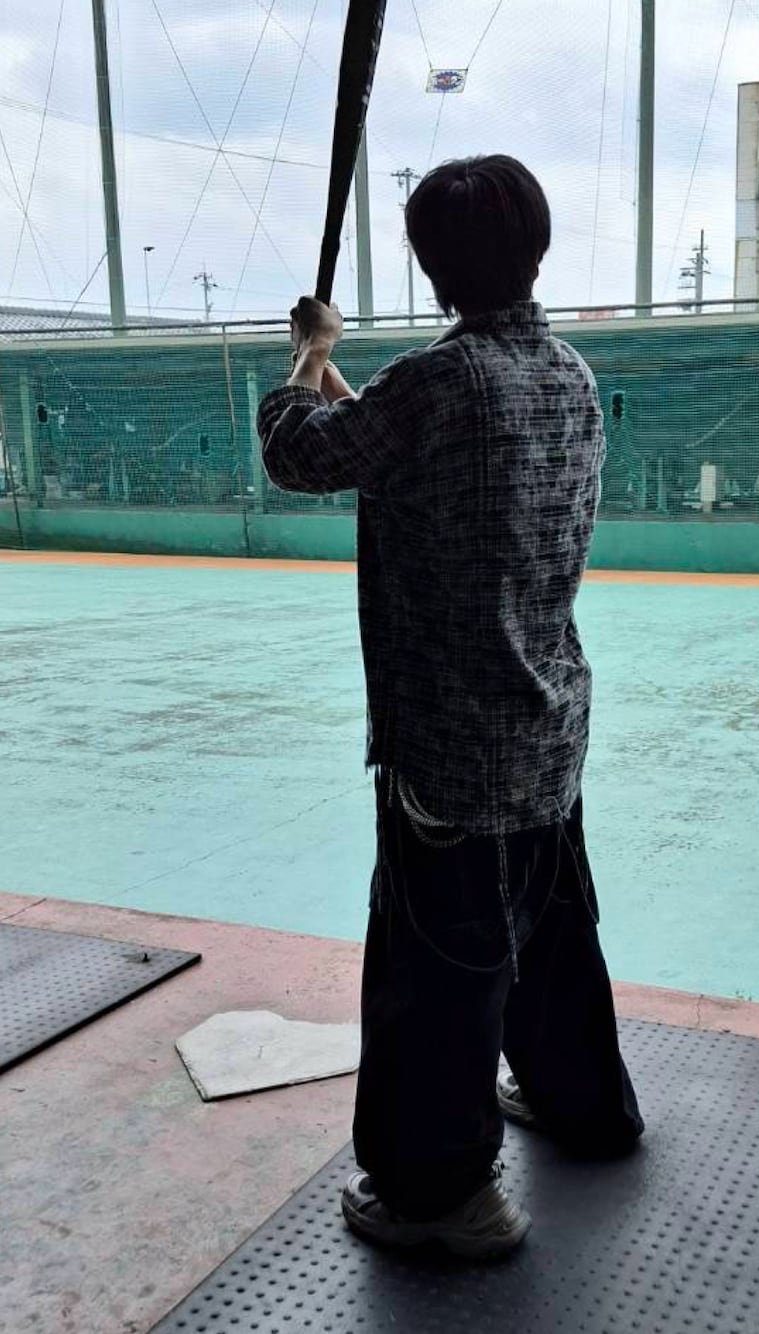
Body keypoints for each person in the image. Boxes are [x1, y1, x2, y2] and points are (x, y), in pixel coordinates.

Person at [256, 154, 644, 1262]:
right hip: (547, 725)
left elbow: (301, 453)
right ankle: (586, 1106)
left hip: (451, 747)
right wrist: (341, 372)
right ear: (537, 251)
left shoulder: (439, 381)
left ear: (430, 266)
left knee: (436, 973)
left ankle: (439, 1195)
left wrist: (309, 355)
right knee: (552, 933)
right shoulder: (565, 374)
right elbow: (403, 452)